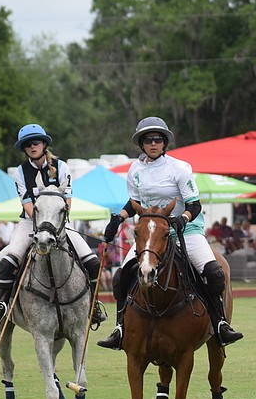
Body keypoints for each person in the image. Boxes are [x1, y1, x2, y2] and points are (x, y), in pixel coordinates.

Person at [98, 116, 243, 349]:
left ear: (164, 142)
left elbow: (194, 205)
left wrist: (182, 219)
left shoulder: (179, 168)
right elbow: (133, 202)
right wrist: (118, 219)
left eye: (158, 139)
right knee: (121, 277)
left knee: (215, 273)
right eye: (148, 140)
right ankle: (120, 329)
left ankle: (219, 325)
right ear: (141, 144)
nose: (153, 143)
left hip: (185, 231)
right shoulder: (135, 169)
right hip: (151, 234)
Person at [0, 124, 106, 329]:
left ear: (44, 144)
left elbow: (67, 201)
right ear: (24, 149)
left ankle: (93, 307)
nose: (32, 147)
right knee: (8, 261)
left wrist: (53, 225)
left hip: (58, 225)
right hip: (29, 223)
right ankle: (1, 305)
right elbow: (27, 204)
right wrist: (41, 225)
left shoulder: (62, 167)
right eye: (28, 145)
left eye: (36, 143)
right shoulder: (21, 172)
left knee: (92, 262)